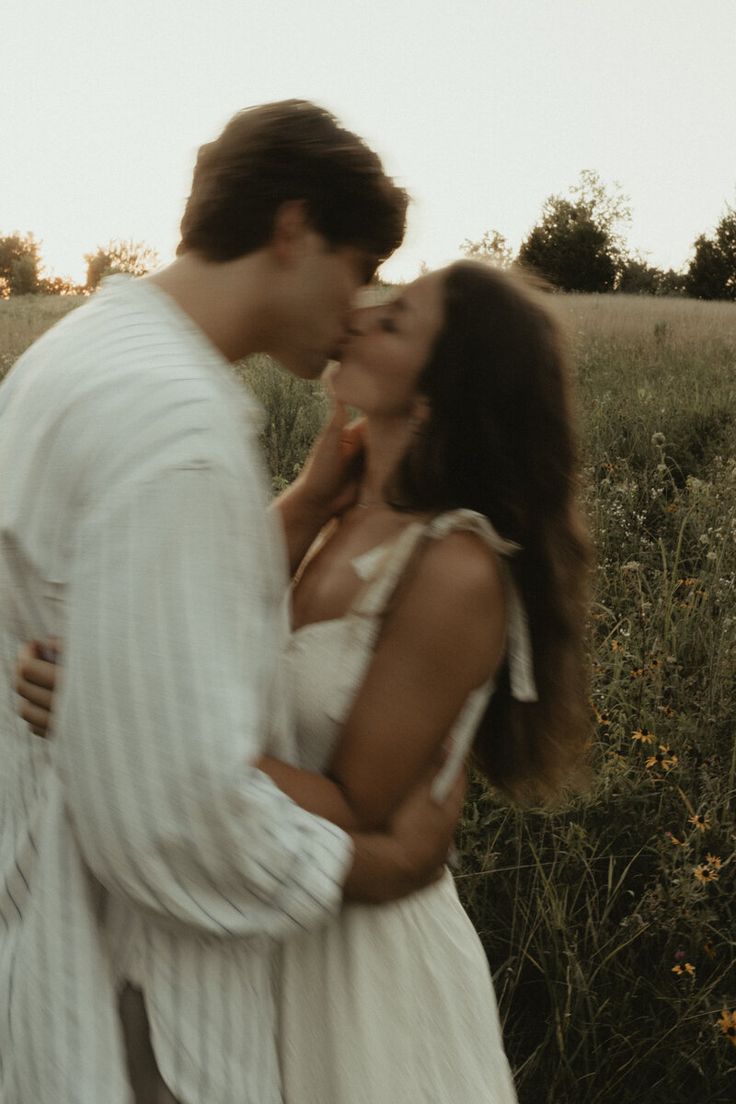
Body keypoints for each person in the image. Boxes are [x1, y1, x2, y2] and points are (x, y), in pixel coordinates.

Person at [17, 261, 592, 1102]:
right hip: (259, 927)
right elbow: (207, 628)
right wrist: (311, 501)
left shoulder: (453, 566)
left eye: (393, 321)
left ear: (438, 390)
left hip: (360, 971)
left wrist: (123, 713)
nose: (358, 319)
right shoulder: (337, 512)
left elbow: (351, 803)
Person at [0, 100, 466, 1104]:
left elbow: (135, 609)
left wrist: (289, 517)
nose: (354, 310)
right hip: (147, 1015)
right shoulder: (180, 433)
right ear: (292, 230)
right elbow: (177, 816)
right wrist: (371, 866)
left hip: (54, 946)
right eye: (355, 269)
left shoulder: (75, 362)